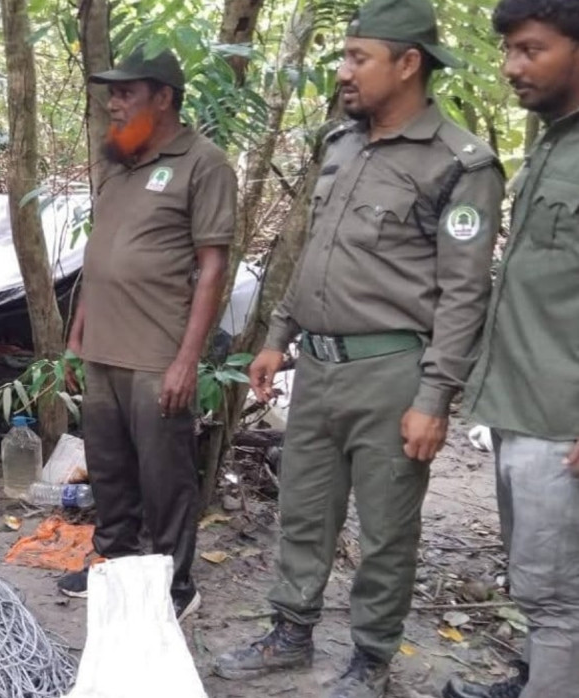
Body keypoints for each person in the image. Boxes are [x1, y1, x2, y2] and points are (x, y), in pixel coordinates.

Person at [212, 1, 505, 695]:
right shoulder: (342, 145)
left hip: (393, 372)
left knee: (387, 526)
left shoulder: (460, 164)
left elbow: (466, 295)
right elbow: (317, 252)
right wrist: (278, 336)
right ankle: (291, 630)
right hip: (318, 366)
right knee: (305, 509)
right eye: (343, 57)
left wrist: (434, 397)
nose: (343, 72)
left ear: (409, 65)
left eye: (358, 58)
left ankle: (371, 656)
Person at [53, 44, 234, 622]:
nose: (114, 103)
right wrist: (77, 333)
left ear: (164, 98)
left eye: (127, 92)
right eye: (112, 92)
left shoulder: (203, 163)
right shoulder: (119, 163)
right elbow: (98, 256)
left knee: (165, 476)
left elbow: (212, 266)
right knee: (108, 468)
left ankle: (175, 583)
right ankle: (114, 560)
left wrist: (188, 359)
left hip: (157, 351)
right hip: (103, 347)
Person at [444, 2, 579, 697]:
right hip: (520, 405)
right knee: (536, 581)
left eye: (531, 50)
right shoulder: (554, 144)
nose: (511, 67)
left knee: (560, 598)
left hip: (563, 421)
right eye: (509, 51)